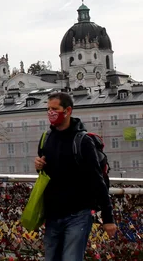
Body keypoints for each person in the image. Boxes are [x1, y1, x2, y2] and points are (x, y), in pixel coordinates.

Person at [34, 92, 116, 260]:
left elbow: (97, 180)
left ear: (68, 110)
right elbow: (46, 174)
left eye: (55, 109)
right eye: (48, 109)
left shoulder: (82, 141)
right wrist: (39, 166)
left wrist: (108, 218)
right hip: (53, 215)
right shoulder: (46, 138)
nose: (50, 112)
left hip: (77, 214)